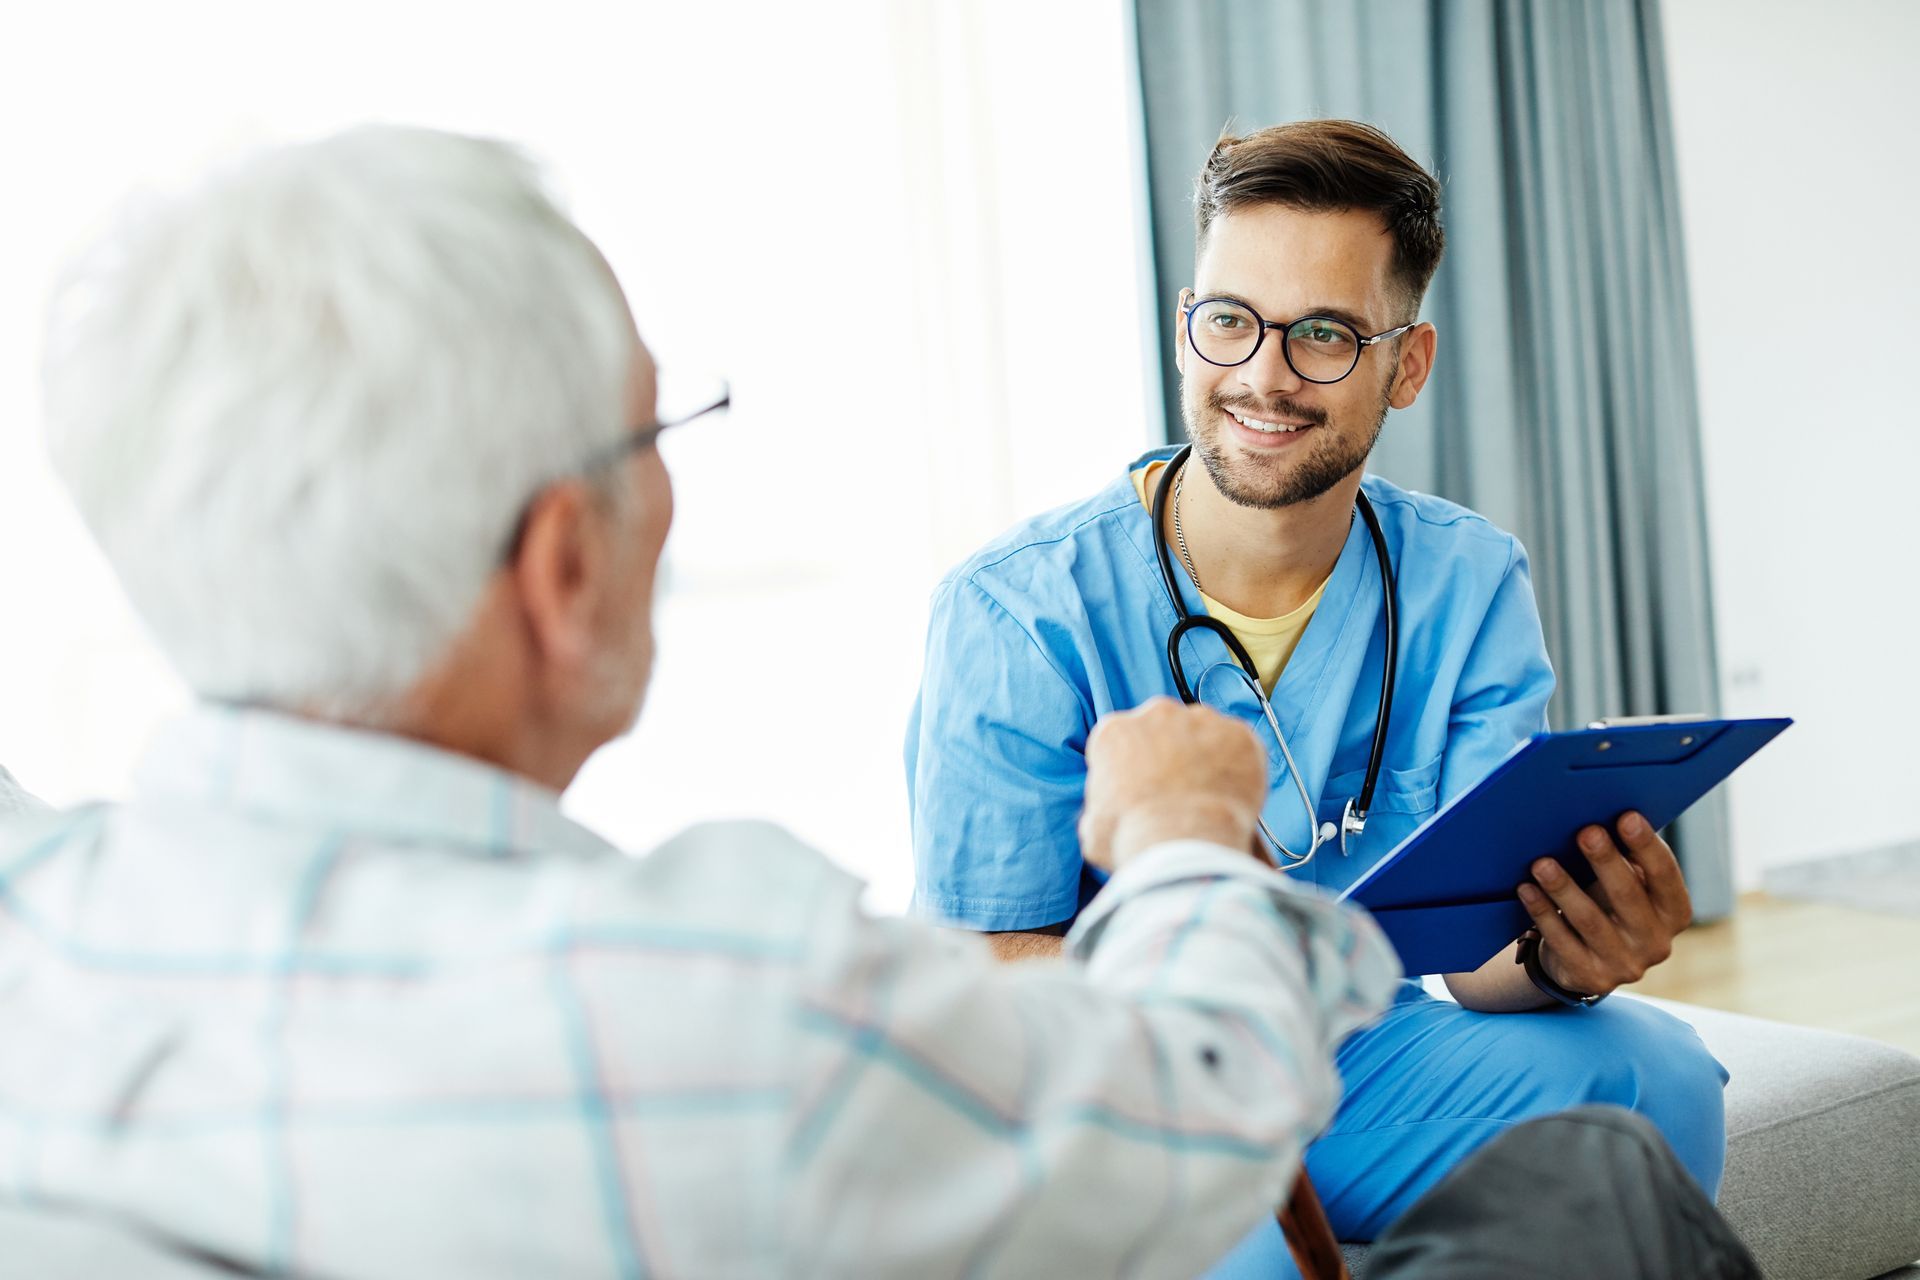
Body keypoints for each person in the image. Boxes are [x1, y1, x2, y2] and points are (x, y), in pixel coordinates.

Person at [0, 124, 1402, 1278]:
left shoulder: (36, 913)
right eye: (657, 425)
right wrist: (1185, 832)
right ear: (561, 563)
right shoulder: (721, 1024)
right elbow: (1197, 1111)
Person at [906, 119, 1729, 1270]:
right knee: (1245, 1240)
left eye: (1327, 334)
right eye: (1231, 320)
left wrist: (1559, 953)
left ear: (1408, 362)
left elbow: (1478, 950)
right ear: (1185, 325)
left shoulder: (1467, 577)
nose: (1264, 375)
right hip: (1127, 1078)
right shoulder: (1018, 609)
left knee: (1660, 1079)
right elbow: (989, 975)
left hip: (1355, 1052)